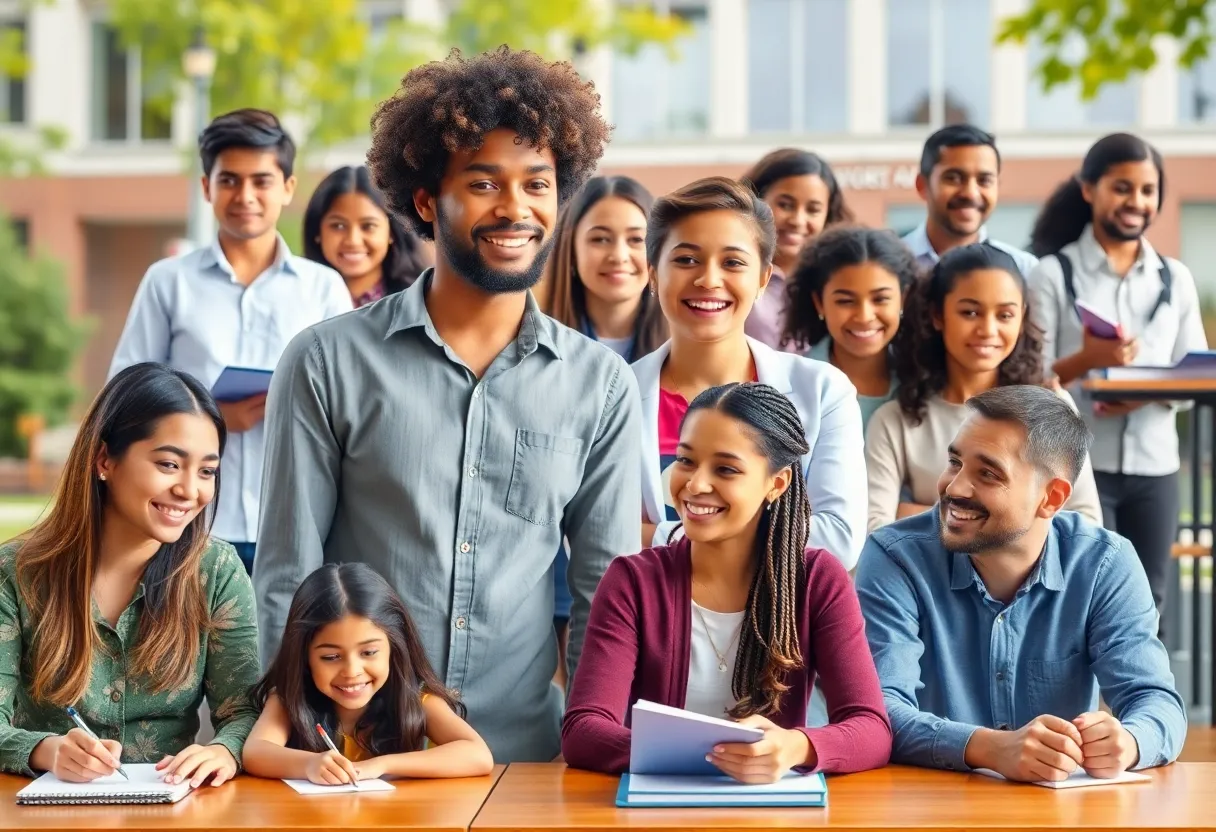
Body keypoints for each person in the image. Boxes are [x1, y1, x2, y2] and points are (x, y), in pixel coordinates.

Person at [254, 47, 642, 764]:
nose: (515, 208)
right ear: (428, 200)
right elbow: (287, 576)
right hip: (358, 766)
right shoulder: (325, 362)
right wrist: (297, 751)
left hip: (525, 758)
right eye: (484, 182)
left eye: (537, 184)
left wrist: (594, 743)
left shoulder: (601, 384)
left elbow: (603, 592)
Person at [562, 382, 891, 780]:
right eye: (686, 461)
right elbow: (583, 730)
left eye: (726, 469)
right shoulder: (632, 582)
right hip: (657, 804)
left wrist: (795, 747)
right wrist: (705, 756)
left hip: (770, 806)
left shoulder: (817, 581)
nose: (695, 485)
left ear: (777, 483)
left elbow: (871, 729)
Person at [856, 385, 1186, 781]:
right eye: (955, 462)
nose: (954, 487)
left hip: (1058, 807)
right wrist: (989, 748)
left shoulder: (1104, 563)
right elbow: (877, 711)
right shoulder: (894, 556)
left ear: (1052, 498)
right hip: (927, 800)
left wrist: (1128, 742)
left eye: (987, 474)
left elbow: (1156, 701)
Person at [108, 109, 353, 575]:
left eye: (261, 181)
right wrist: (214, 418)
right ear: (207, 187)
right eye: (229, 181)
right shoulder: (168, 281)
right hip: (187, 522)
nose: (245, 196)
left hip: (291, 521)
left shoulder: (322, 288)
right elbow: (123, 393)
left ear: (287, 188)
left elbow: (347, 400)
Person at [0, 363, 260, 784]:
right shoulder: (15, 572)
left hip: (174, 804)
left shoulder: (217, 570)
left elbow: (244, 711)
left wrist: (223, 750)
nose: (190, 490)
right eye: (169, 464)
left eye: (207, 471)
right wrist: (47, 750)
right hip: (46, 805)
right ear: (104, 459)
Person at [634, 177, 866, 569]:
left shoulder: (823, 391)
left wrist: (657, 535)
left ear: (762, 279)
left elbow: (837, 539)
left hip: (780, 609)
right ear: (653, 274)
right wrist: (769, 533)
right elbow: (595, 535)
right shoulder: (614, 394)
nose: (709, 280)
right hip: (649, 608)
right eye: (686, 260)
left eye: (733, 262)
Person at [1028, 133, 1207, 634]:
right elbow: (1033, 379)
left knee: (1151, 607)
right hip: (1077, 468)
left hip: (1156, 467)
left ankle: (1142, 689)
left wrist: (1147, 395)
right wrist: (1089, 360)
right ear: (1089, 189)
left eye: (1148, 190)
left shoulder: (1174, 278)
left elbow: (1195, 375)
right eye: (1122, 188)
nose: (1137, 201)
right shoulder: (1052, 274)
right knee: (1080, 603)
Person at [865, 244, 1102, 532]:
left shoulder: (1051, 407)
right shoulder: (896, 419)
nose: (988, 330)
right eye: (970, 312)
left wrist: (913, 513)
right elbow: (875, 528)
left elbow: (1086, 523)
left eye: (1005, 315)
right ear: (937, 315)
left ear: (1022, 316)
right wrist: (1021, 518)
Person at [542, 174, 667, 687]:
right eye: (600, 238)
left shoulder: (681, 353)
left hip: (651, 574)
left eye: (636, 239)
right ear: (571, 250)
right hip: (547, 574)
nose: (619, 254)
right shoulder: (536, 346)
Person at [243, 563, 493, 783]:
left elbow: (478, 755)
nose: (352, 672)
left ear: (394, 647)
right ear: (304, 657)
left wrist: (381, 765)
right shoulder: (289, 699)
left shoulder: (416, 699)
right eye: (331, 657)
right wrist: (309, 764)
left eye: (369, 652)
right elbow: (255, 752)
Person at [782, 226, 918, 433]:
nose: (864, 316)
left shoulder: (924, 380)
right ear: (819, 303)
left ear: (903, 299)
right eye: (845, 301)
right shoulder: (791, 385)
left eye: (880, 299)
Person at [740, 148, 853, 349]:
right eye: (785, 205)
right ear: (756, 201)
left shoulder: (838, 279)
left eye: (813, 210)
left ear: (828, 215)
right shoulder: (734, 273)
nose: (798, 220)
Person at [901, 125, 1037, 276]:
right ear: (922, 186)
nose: (970, 194)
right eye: (953, 178)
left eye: (984, 180)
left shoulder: (1024, 271)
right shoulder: (891, 266)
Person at [303, 164, 433, 307]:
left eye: (368, 226)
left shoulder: (420, 303)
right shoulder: (297, 298)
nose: (353, 240)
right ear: (317, 231)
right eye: (338, 226)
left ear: (392, 232)